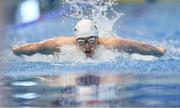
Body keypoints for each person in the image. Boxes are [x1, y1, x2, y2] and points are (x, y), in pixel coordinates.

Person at [12, 19, 166, 58]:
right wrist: (15, 51)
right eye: (81, 42)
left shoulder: (111, 44)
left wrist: (159, 51)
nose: (87, 46)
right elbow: (34, 47)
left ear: (98, 39)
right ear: (75, 40)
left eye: (92, 41)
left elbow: (141, 47)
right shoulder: (60, 44)